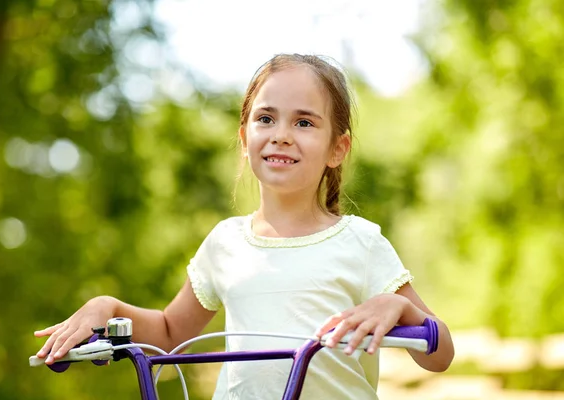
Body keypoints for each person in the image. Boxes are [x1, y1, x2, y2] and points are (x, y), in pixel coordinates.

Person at [34, 53, 454, 399]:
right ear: (244, 137)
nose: (282, 135)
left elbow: (440, 355)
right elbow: (168, 334)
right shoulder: (225, 242)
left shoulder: (360, 243)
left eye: (304, 122)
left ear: (337, 148)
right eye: (266, 119)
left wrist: (400, 308)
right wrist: (107, 308)